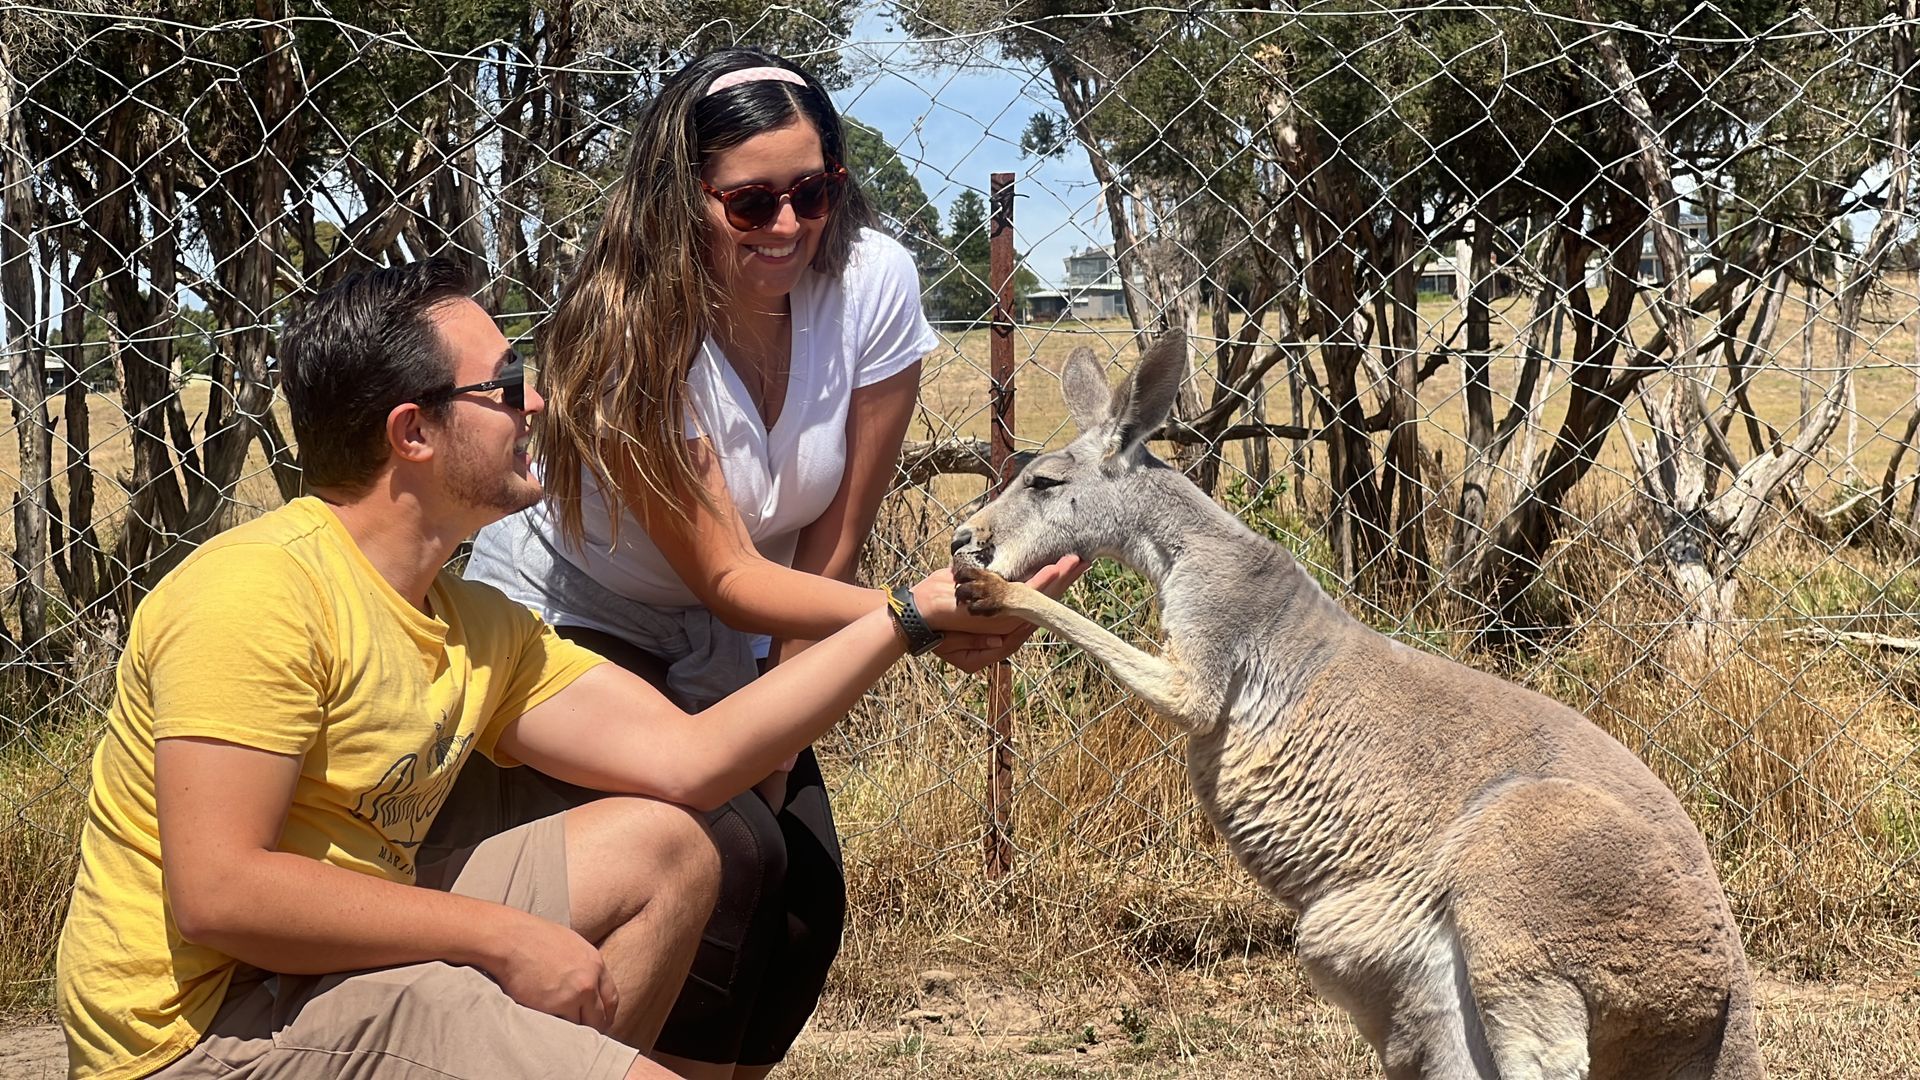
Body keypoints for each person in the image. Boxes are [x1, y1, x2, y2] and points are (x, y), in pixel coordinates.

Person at [53, 259, 1018, 1080]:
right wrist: (502, 936)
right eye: (505, 387)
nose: (540, 404)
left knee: (668, 846)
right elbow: (222, 893)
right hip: (205, 1040)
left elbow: (692, 762)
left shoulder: (475, 622)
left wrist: (907, 619)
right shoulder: (258, 594)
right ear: (413, 433)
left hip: (323, 974)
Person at [431, 47, 1081, 1079]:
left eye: (814, 192)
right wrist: (917, 622)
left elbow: (838, 533)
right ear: (682, 200)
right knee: (728, 854)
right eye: (751, 204)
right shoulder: (628, 327)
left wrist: (799, 685)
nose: (789, 228)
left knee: (800, 898)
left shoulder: (873, 285)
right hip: (581, 616)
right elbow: (725, 573)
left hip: (751, 619)